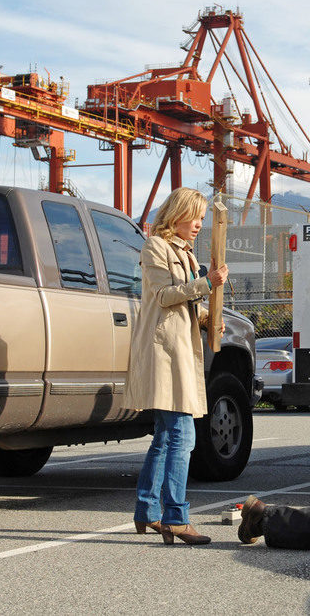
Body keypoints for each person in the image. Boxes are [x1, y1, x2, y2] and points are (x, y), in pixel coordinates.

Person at [125, 187, 228, 546]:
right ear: (177, 215)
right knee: (182, 437)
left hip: (177, 351)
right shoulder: (155, 247)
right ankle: (176, 518)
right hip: (164, 354)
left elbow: (181, 304)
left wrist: (206, 319)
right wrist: (206, 283)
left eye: (202, 218)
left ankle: (147, 511)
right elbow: (164, 297)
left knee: (167, 436)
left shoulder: (184, 252)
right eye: (193, 217)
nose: (199, 224)